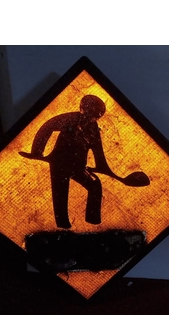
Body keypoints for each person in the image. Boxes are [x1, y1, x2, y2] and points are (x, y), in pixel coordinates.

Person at [20, 94, 114, 228]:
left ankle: (93, 222)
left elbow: (98, 149)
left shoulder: (93, 128)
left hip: (78, 167)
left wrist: (101, 167)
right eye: (89, 112)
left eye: (95, 114)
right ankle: (62, 226)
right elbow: (48, 126)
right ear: (83, 108)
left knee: (95, 184)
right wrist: (37, 151)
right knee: (60, 194)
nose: (90, 117)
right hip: (59, 163)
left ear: (98, 115)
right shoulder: (70, 118)